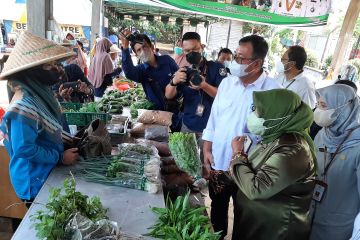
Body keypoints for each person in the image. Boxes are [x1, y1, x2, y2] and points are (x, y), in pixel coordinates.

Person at [202, 35, 281, 239]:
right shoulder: (227, 84)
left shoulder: (273, 92)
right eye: (235, 57)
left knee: (245, 216)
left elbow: (275, 135)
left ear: (257, 63)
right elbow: (214, 119)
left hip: (250, 169)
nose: (235, 63)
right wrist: (207, 149)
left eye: (240, 59)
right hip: (219, 161)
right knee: (217, 210)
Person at [0, 31, 78, 205]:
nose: (58, 69)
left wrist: (70, 140)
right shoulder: (22, 105)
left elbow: (49, 127)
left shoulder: (41, 93)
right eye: (50, 65)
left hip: (47, 172)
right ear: (33, 70)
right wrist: (60, 157)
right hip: (34, 181)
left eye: (56, 64)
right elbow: (23, 148)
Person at [230, 89, 316, 240]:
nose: (253, 115)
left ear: (278, 115)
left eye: (257, 111)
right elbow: (256, 168)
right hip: (257, 220)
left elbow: (257, 188)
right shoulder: (274, 136)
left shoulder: (293, 149)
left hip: (275, 229)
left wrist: (237, 155)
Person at [310, 84, 360, 240]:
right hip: (309, 216)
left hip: (337, 228)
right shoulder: (322, 135)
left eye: (324, 106)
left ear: (343, 108)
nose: (318, 111)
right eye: (318, 105)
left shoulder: (358, 147)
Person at [165, 31, 227, 143]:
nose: (191, 53)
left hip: (211, 128)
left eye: (195, 49)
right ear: (183, 51)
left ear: (202, 47)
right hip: (188, 124)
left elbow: (224, 95)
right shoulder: (184, 71)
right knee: (185, 159)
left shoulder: (216, 68)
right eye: (187, 51)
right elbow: (168, 95)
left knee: (206, 160)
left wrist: (204, 86)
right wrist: (173, 81)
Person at [120, 30, 180, 118]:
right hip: (156, 115)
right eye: (139, 50)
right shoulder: (141, 71)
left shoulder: (167, 60)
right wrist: (125, 48)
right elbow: (129, 73)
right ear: (136, 54)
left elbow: (180, 79)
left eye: (145, 46)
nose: (143, 51)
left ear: (152, 47)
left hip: (176, 112)